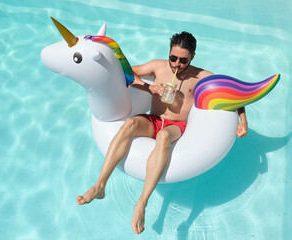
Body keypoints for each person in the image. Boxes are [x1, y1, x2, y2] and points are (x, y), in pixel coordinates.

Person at [76, 32, 248, 234]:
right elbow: (126, 72)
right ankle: (99, 186)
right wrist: (149, 88)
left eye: (183, 60)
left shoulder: (201, 76)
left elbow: (234, 94)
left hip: (177, 125)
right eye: (173, 58)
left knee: (163, 136)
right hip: (155, 119)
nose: (176, 64)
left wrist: (243, 121)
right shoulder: (159, 66)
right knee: (130, 124)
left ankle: (142, 203)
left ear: (192, 56)